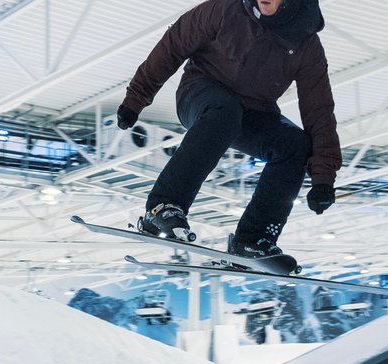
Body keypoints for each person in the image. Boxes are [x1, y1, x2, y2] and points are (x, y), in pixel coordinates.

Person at [116, 0, 342, 259]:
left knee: (295, 145)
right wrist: (136, 98)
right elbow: (174, 44)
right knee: (225, 112)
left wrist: (323, 178)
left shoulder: (305, 43)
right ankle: (163, 207)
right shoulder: (225, 8)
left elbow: (319, 109)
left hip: (254, 111)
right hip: (200, 93)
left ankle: (254, 239)